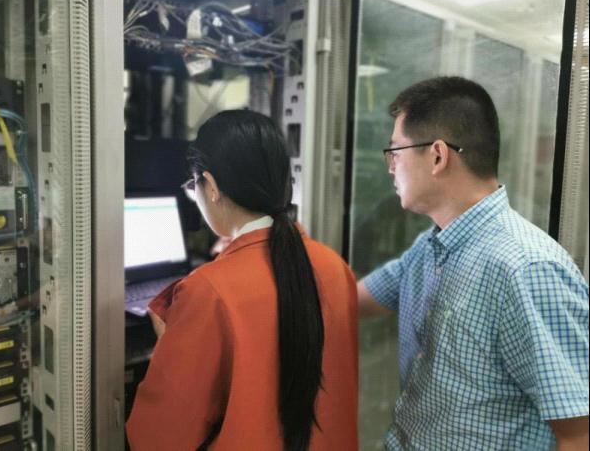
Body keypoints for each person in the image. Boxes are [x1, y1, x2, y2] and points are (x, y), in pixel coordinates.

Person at [357, 76, 589, 450]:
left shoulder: (525, 269)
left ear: (437, 155)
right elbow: (357, 299)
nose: (391, 167)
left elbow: (579, 433)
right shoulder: (430, 247)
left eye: (396, 151)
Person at [126, 110, 358, 450]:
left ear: (212, 187)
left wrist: (168, 345)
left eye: (193, 187)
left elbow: (157, 440)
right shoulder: (335, 268)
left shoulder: (208, 290)